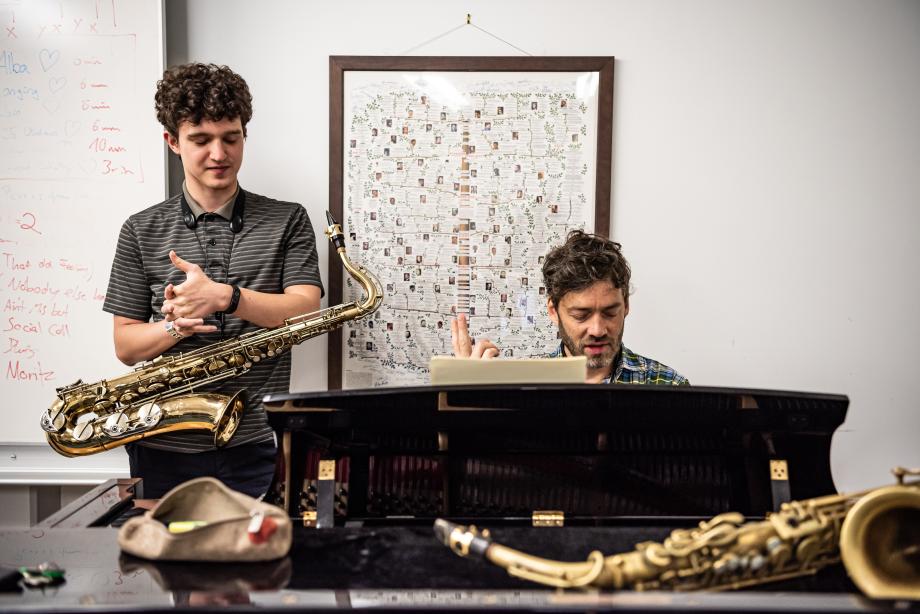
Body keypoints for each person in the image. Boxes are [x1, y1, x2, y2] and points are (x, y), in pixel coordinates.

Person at [102, 63, 324, 498]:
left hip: (257, 444)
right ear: (172, 142)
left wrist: (224, 297)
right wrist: (174, 326)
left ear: (245, 135)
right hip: (161, 446)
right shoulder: (140, 229)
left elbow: (305, 310)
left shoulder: (289, 219)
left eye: (231, 137)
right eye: (201, 140)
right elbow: (126, 347)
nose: (219, 154)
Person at [451, 230, 687, 385]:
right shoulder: (522, 387)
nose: (597, 330)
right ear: (553, 311)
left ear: (626, 306)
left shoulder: (668, 385)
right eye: (581, 315)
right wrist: (467, 397)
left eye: (609, 312)